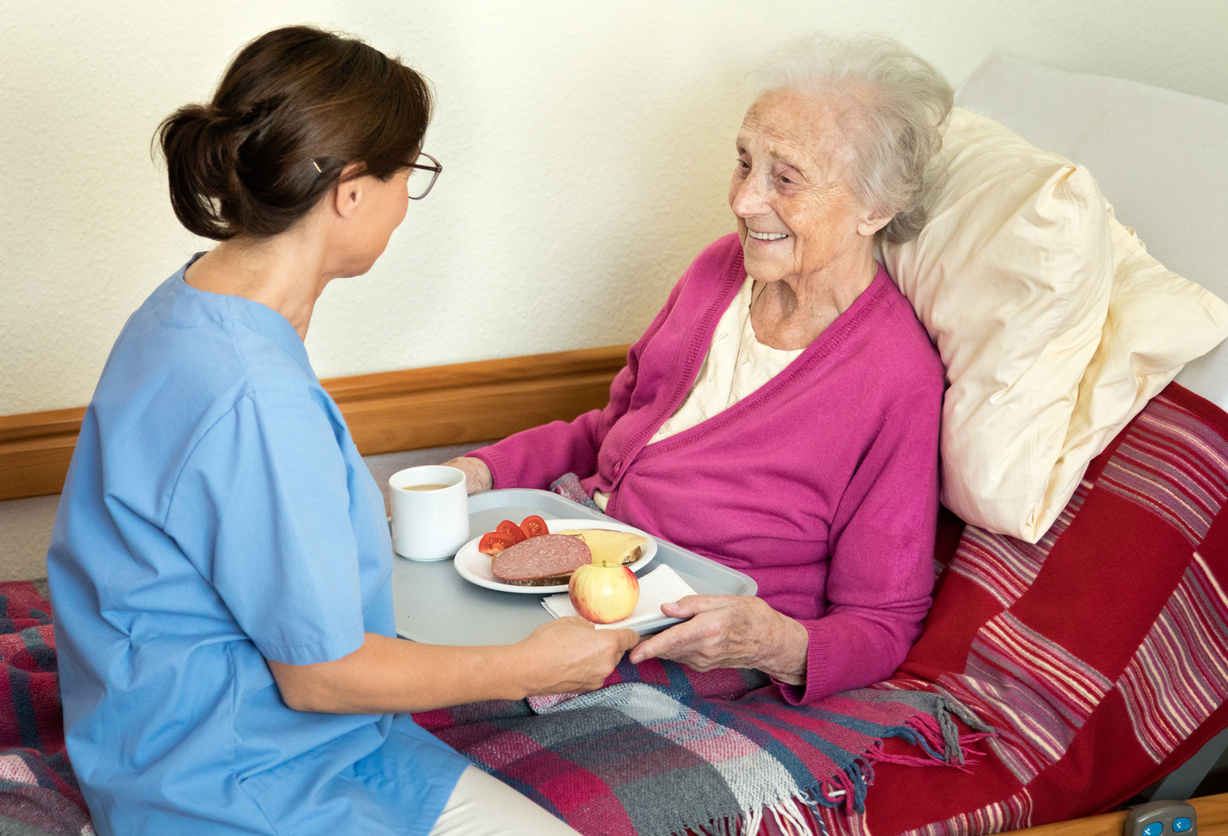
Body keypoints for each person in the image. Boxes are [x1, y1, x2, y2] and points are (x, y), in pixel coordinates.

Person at [46, 26, 636, 836]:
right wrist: (528, 665)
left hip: (247, 740)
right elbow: (320, 677)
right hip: (226, 782)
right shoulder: (255, 398)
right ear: (351, 190)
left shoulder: (188, 303)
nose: (405, 205)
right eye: (410, 174)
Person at [448, 34, 951, 704]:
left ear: (876, 208)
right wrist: (480, 470)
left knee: (395, 721)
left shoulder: (895, 379)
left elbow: (881, 624)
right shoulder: (717, 271)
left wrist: (767, 641)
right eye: (745, 164)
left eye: (786, 177)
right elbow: (612, 434)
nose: (744, 201)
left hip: (682, 647)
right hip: (577, 567)